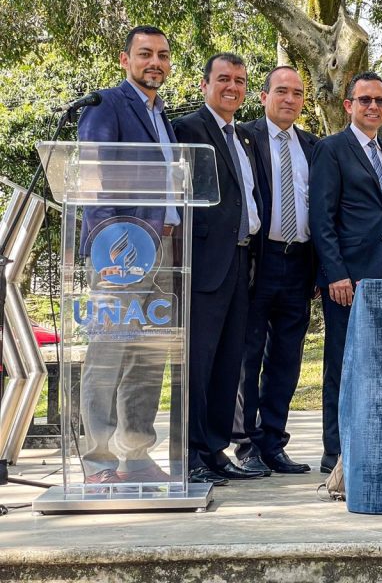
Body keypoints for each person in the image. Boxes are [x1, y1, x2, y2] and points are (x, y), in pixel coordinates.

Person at [77, 25, 179, 485]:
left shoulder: (164, 118)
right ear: (125, 59)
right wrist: (107, 246)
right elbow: (94, 177)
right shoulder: (106, 105)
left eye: (162, 55)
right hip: (123, 248)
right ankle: (98, 461)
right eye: (145, 54)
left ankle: (135, 454)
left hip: (168, 249)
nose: (154, 62)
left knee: (148, 355)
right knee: (108, 354)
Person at [172, 53, 264, 485]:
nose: (232, 87)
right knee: (199, 361)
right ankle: (189, 452)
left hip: (242, 261)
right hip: (206, 263)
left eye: (240, 81)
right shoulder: (189, 130)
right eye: (224, 79)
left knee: (230, 360)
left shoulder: (243, 137)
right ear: (205, 84)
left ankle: (214, 449)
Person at [309, 72, 382, 474]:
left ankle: (369, 443)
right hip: (346, 280)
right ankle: (335, 451)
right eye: (364, 100)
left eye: (379, 101)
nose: (372, 107)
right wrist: (335, 274)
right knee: (341, 364)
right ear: (349, 105)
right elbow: (321, 218)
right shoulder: (331, 149)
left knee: (376, 365)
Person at [232, 66, 318, 476]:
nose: (289, 99)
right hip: (258, 260)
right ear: (263, 97)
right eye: (281, 91)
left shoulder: (312, 146)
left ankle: (273, 443)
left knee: (287, 357)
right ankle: (245, 444)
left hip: (299, 261)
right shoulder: (244, 138)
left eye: (297, 93)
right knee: (249, 355)